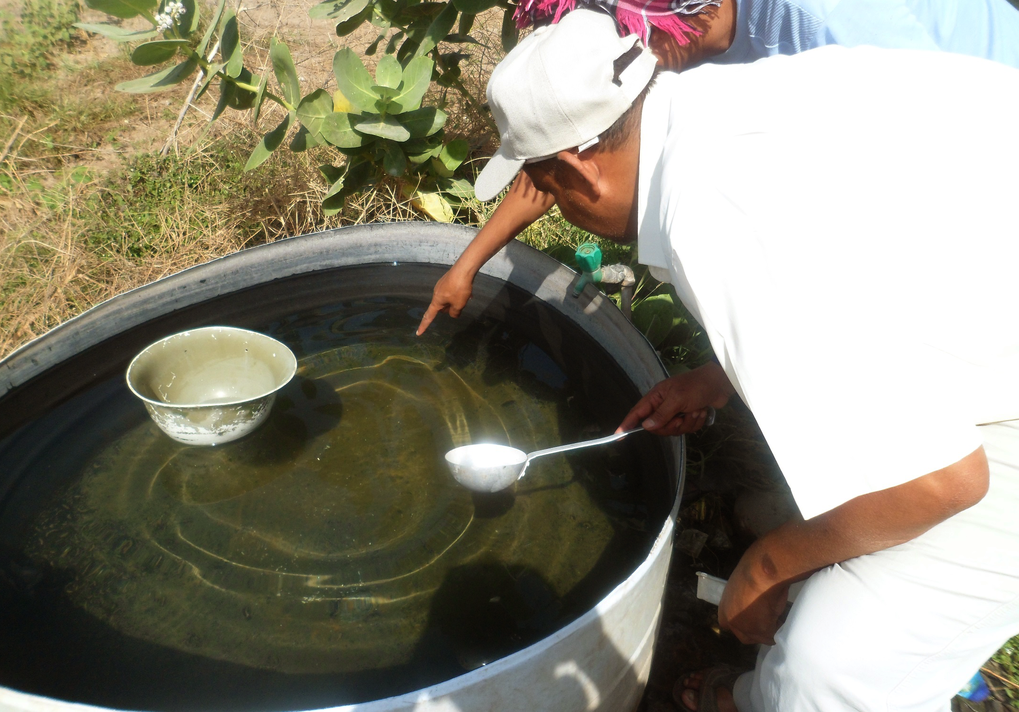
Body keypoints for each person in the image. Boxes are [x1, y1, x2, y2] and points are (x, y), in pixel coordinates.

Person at [456, 8, 1019, 712]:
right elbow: (856, 275)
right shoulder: (718, 105)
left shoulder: (708, 212)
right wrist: (723, 378)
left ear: (577, 169)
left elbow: (945, 480)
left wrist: (771, 562)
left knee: (831, 668)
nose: (559, 208)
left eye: (548, 188)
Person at [414, 0, 1019, 338]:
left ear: (675, 25)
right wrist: (467, 265)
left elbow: (926, 191)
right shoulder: (651, 47)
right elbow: (557, 162)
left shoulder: (834, 37)